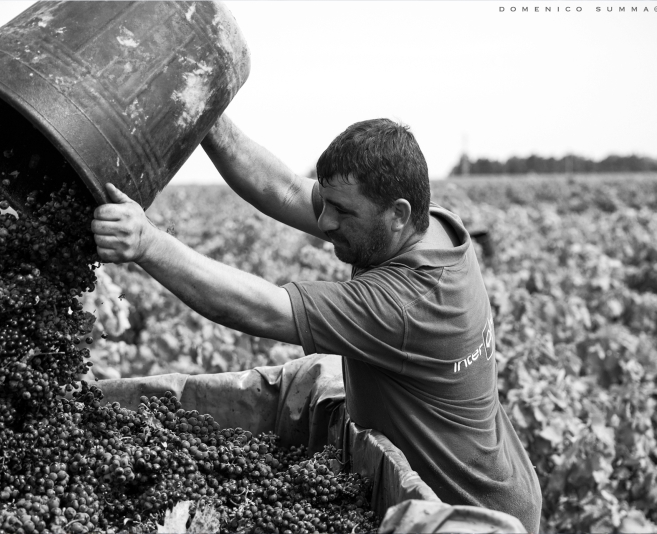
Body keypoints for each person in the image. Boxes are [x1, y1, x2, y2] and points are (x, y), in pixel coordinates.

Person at [91, 115, 543, 532]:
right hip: (491, 480)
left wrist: (148, 243)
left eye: (342, 212)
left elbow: (261, 309)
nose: (325, 222)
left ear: (399, 213)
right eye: (326, 204)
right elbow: (285, 187)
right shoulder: (430, 226)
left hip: (468, 515)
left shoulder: (407, 303)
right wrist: (206, 117)